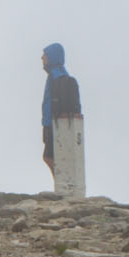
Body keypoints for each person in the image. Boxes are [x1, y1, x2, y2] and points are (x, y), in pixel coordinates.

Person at [40, 43, 81, 175]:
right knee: (52, 157)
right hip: (52, 122)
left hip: (54, 123)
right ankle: (62, 183)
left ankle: (61, 183)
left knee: (50, 157)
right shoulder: (57, 75)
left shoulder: (57, 76)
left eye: (45, 55)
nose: (42, 58)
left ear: (52, 57)